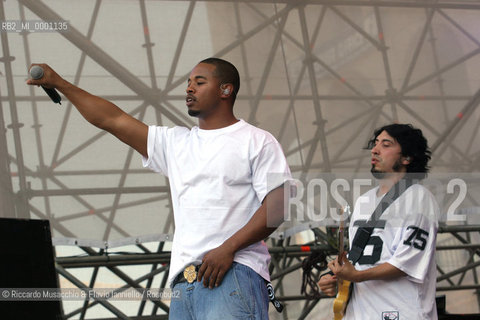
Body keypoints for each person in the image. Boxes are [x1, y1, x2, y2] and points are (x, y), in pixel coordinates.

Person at [27, 58, 291, 319]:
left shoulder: (257, 141)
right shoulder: (176, 143)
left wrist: (228, 248)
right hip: (183, 284)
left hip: (233, 273)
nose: (189, 88)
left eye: (199, 82)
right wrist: (60, 84)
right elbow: (112, 119)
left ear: (225, 90)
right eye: (188, 83)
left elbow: (277, 207)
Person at [318, 123, 439, 320]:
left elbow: (406, 263)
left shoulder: (419, 198)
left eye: (386, 144)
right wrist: (334, 278)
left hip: (402, 313)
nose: (375, 150)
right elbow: (361, 258)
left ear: (407, 157)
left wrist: (355, 276)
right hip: (359, 313)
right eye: (375, 144)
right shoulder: (363, 201)